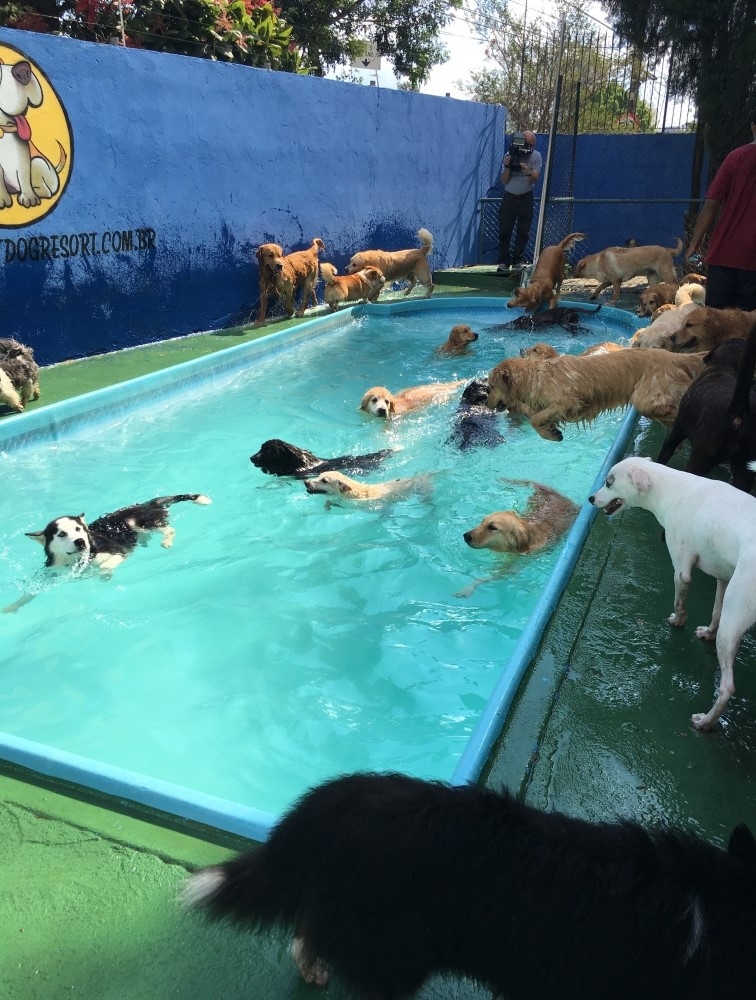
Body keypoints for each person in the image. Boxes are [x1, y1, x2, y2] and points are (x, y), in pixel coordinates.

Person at [685, 117, 756, 311]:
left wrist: (694, 244)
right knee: (748, 328)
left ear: (752, 126)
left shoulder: (736, 157)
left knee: (715, 322)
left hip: (724, 254)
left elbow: (711, 203)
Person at [496, 129, 542, 275]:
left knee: (523, 231)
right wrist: (508, 166)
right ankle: (504, 261)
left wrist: (527, 170)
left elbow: (535, 178)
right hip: (509, 198)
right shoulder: (510, 154)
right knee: (505, 230)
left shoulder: (536, 156)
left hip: (526, 198)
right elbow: (504, 180)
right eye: (526, 144)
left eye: (531, 145)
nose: (527, 148)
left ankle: (517, 261)